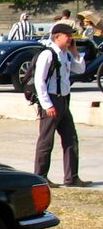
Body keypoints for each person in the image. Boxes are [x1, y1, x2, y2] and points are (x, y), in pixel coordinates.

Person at [33, 22, 91, 188]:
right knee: (46, 140)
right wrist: (46, 104)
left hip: (64, 100)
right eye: (68, 36)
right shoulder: (48, 54)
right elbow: (39, 81)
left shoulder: (65, 54)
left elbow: (80, 70)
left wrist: (75, 53)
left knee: (71, 138)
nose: (70, 39)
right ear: (57, 37)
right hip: (52, 100)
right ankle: (40, 176)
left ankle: (72, 177)